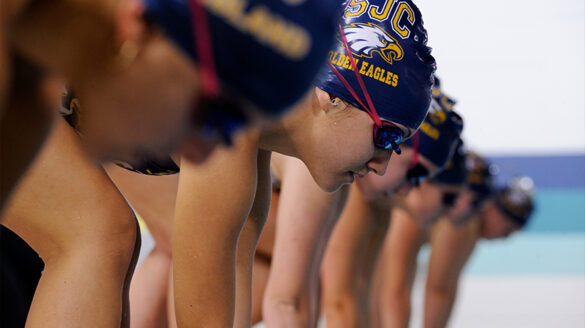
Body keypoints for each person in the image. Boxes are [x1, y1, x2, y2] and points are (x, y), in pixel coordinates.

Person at [0, 1, 341, 327]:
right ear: (142, 27)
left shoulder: (31, 81)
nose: (201, 156)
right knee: (98, 232)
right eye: (213, 116)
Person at [171, 1, 437, 326]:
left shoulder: (256, 139)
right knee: (114, 235)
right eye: (388, 137)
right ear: (332, 97)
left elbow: (232, 295)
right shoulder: (233, 114)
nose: (381, 165)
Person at [320, 103, 464, 328]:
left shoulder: (379, 208)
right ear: (390, 144)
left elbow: (362, 300)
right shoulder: (351, 194)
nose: (407, 189)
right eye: (416, 174)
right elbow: (338, 304)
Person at [424, 176, 535, 328]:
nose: (505, 238)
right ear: (493, 209)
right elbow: (438, 289)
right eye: (507, 230)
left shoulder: (471, 231)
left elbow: (447, 290)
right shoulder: (464, 225)